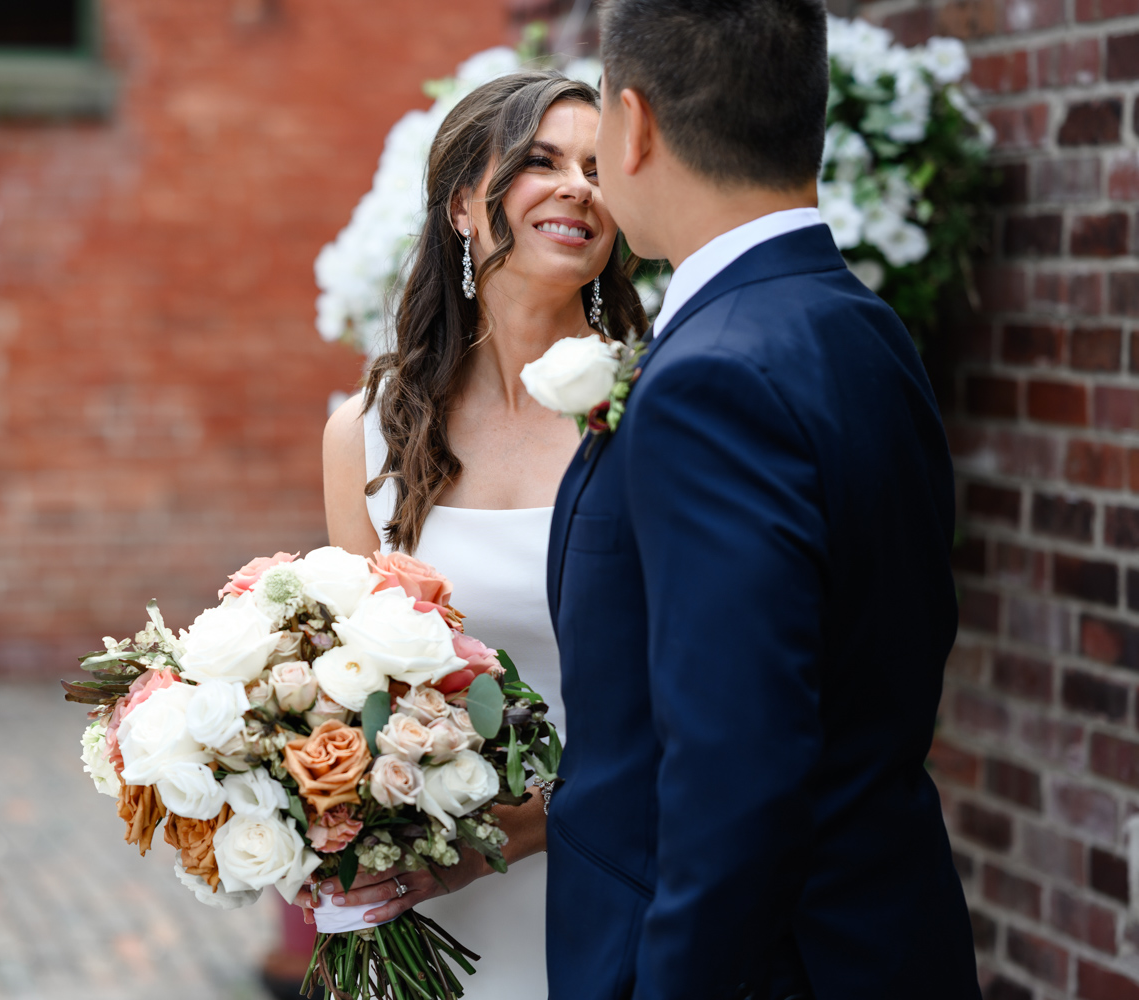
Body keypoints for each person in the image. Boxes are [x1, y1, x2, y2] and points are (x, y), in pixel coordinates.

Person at [541, 1, 981, 997]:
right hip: (885, 936)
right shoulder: (864, 328)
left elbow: (736, 774)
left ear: (635, 125)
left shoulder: (711, 378)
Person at [300, 71, 645, 1000]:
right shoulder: (365, 434)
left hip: (612, 877)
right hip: (430, 904)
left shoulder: (651, 412)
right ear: (462, 203)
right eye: (541, 162)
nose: (578, 184)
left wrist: (511, 834)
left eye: (597, 165)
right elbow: (348, 699)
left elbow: (689, 709)